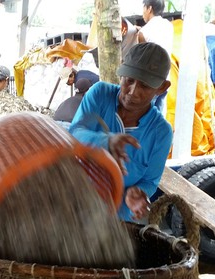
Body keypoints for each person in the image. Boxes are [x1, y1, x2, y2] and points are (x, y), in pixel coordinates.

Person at [69, 42, 173, 222]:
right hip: (74, 204)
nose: (133, 92)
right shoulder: (100, 94)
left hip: (117, 220)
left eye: (145, 86)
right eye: (129, 80)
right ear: (122, 74)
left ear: (162, 87)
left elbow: (150, 181)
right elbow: (74, 134)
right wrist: (106, 141)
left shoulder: (160, 133)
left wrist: (138, 192)